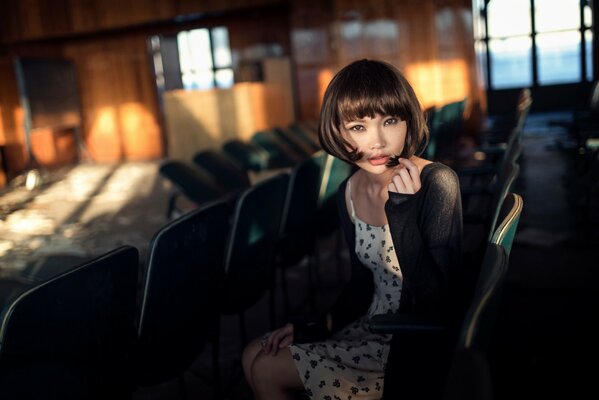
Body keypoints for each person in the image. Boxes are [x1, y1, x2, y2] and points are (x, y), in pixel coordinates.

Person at [242, 59, 463, 400]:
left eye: (389, 121)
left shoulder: (437, 183)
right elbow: (361, 285)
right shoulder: (349, 190)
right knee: (254, 352)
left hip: (410, 345)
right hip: (368, 326)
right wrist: (312, 327)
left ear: (408, 121)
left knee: (265, 368)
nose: (376, 142)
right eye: (358, 127)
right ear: (339, 132)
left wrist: (402, 212)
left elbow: (437, 302)